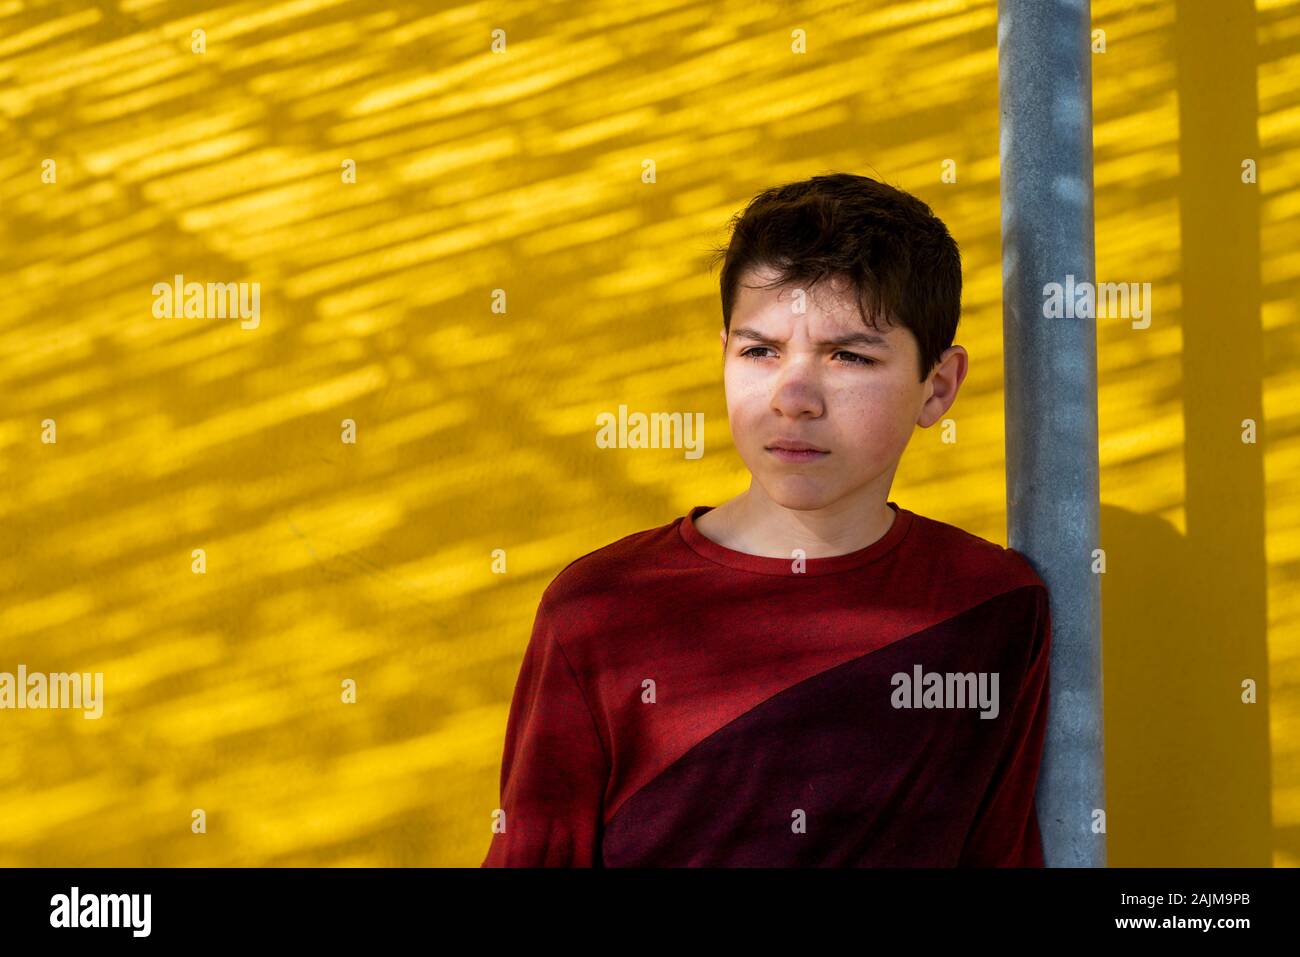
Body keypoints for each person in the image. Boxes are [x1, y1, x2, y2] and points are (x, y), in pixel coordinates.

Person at [481, 172, 1052, 867]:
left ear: (938, 386)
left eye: (849, 355)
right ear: (722, 354)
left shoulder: (991, 607)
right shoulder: (597, 611)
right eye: (760, 350)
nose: (795, 396)